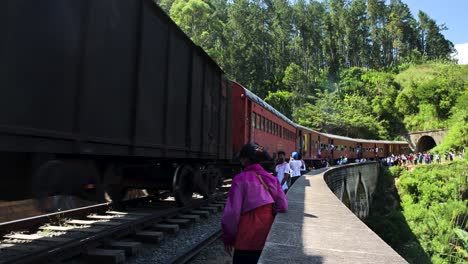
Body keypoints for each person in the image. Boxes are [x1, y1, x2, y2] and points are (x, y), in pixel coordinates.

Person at [221, 144, 288, 263]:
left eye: (241, 158)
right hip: (267, 235)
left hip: (245, 237)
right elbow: (282, 206)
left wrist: (228, 238)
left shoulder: (240, 179)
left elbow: (232, 214)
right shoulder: (272, 179)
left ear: (246, 159)